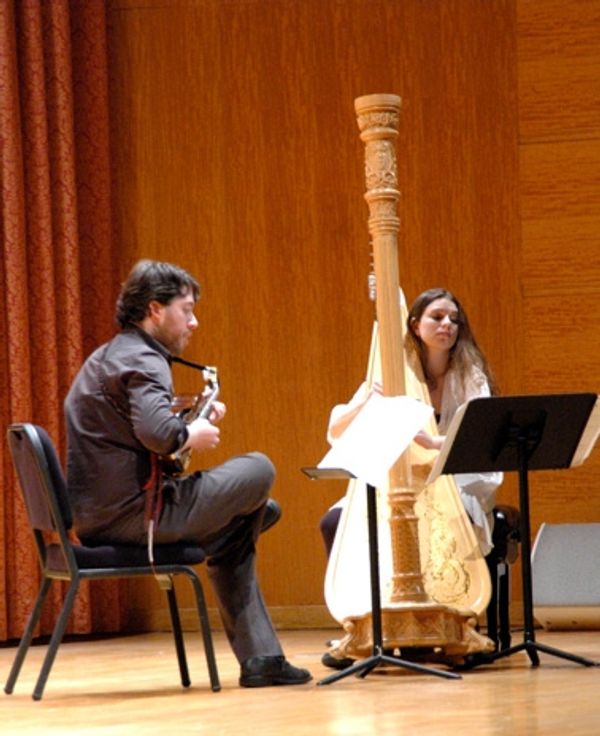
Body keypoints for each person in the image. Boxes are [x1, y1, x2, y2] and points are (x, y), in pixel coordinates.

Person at [65, 259, 312, 688]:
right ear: (155, 310)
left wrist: (188, 416)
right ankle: (240, 534)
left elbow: (136, 427)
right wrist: (190, 431)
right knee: (259, 469)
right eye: (187, 310)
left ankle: (263, 660)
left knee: (244, 522)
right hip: (137, 518)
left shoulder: (114, 354)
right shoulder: (144, 358)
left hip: (104, 513)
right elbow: (159, 434)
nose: (194, 322)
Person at [320, 286, 502, 668]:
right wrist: (368, 401)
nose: (447, 325)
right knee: (334, 519)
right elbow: (336, 428)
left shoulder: (469, 374)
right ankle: (361, 624)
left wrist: (432, 442)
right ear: (415, 325)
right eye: (437, 317)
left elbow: (479, 437)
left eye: (454, 319)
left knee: (453, 520)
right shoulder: (393, 370)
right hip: (402, 479)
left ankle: (459, 624)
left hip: (457, 476)